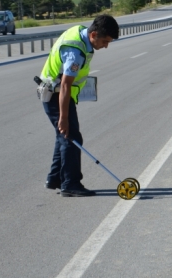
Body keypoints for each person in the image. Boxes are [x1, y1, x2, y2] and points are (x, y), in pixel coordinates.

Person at [40, 14, 119, 197]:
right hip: (56, 95)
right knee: (72, 138)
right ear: (93, 35)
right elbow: (66, 85)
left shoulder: (79, 33)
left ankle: (54, 178)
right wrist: (64, 117)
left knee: (64, 137)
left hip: (57, 92)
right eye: (105, 41)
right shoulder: (75, 51)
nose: (105, 46)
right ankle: (71, 184)